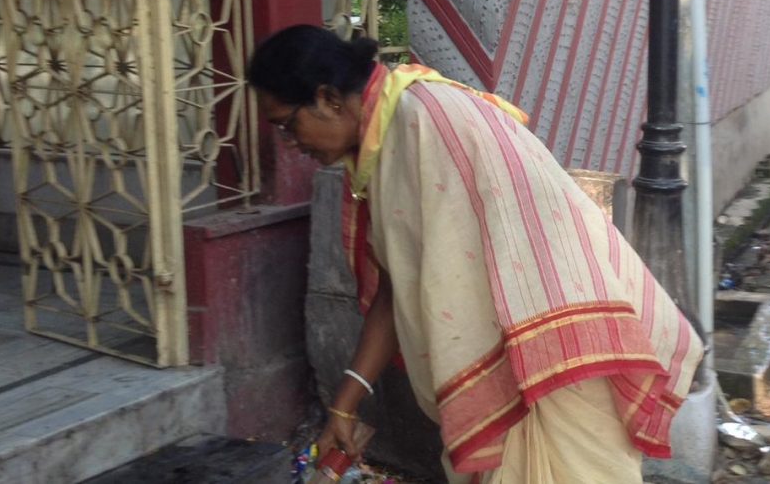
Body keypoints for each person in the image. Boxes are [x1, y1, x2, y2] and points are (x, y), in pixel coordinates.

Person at [248, 24, 703, 484]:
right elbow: (396, 288)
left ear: (328, 98)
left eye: (288, 125)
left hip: (551, 361)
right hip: (526, 362)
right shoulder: (385, 138)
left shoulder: (424, 121)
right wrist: (342, 406)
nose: (291, 144)